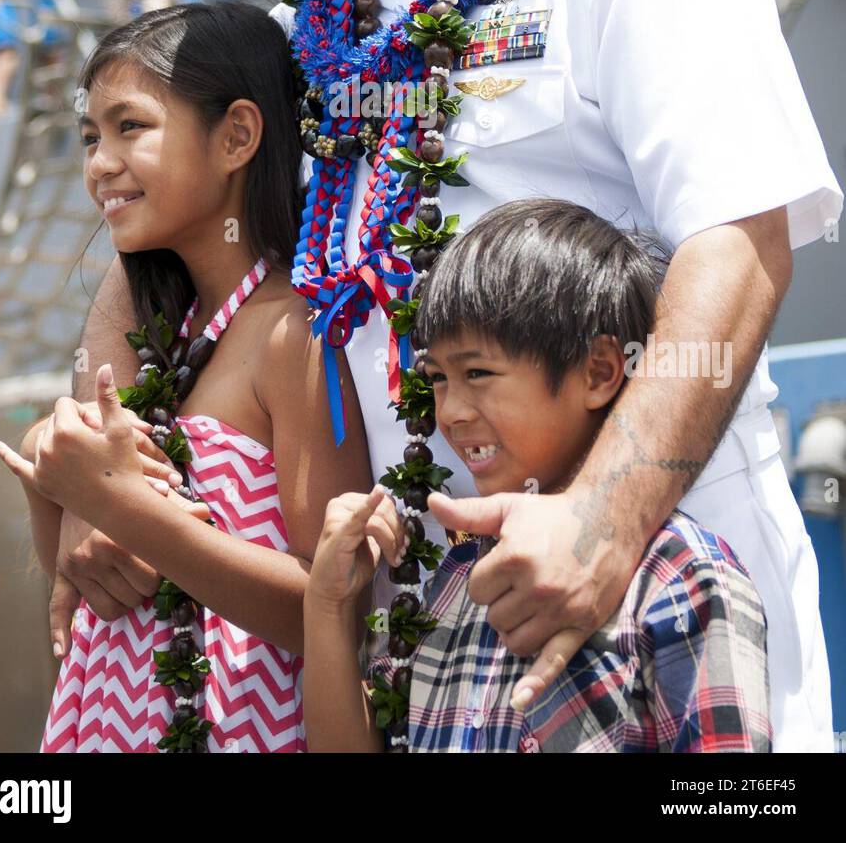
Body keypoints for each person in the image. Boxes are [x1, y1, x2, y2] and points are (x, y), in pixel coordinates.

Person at [53, 0, 842, 752]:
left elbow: (737, 244)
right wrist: (107, 479)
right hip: (421, 642)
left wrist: (603, 519)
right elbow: (154, 227)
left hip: (655, 607)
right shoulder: (302, 24)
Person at [0, 1, 369, 751]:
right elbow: (84, 590)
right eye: (90, 137)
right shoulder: (164, 329)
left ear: (237, 136)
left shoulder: (291, 333)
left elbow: (328, 604)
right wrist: (51, 467)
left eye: (131, 127)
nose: (100, 163)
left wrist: (124, 506)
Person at [304, 199, 773, 753]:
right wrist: (329, 606)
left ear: (599, 370)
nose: (450, 411)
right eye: (438, 379)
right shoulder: (457, 578)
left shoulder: (680, 576)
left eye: (478, 372)